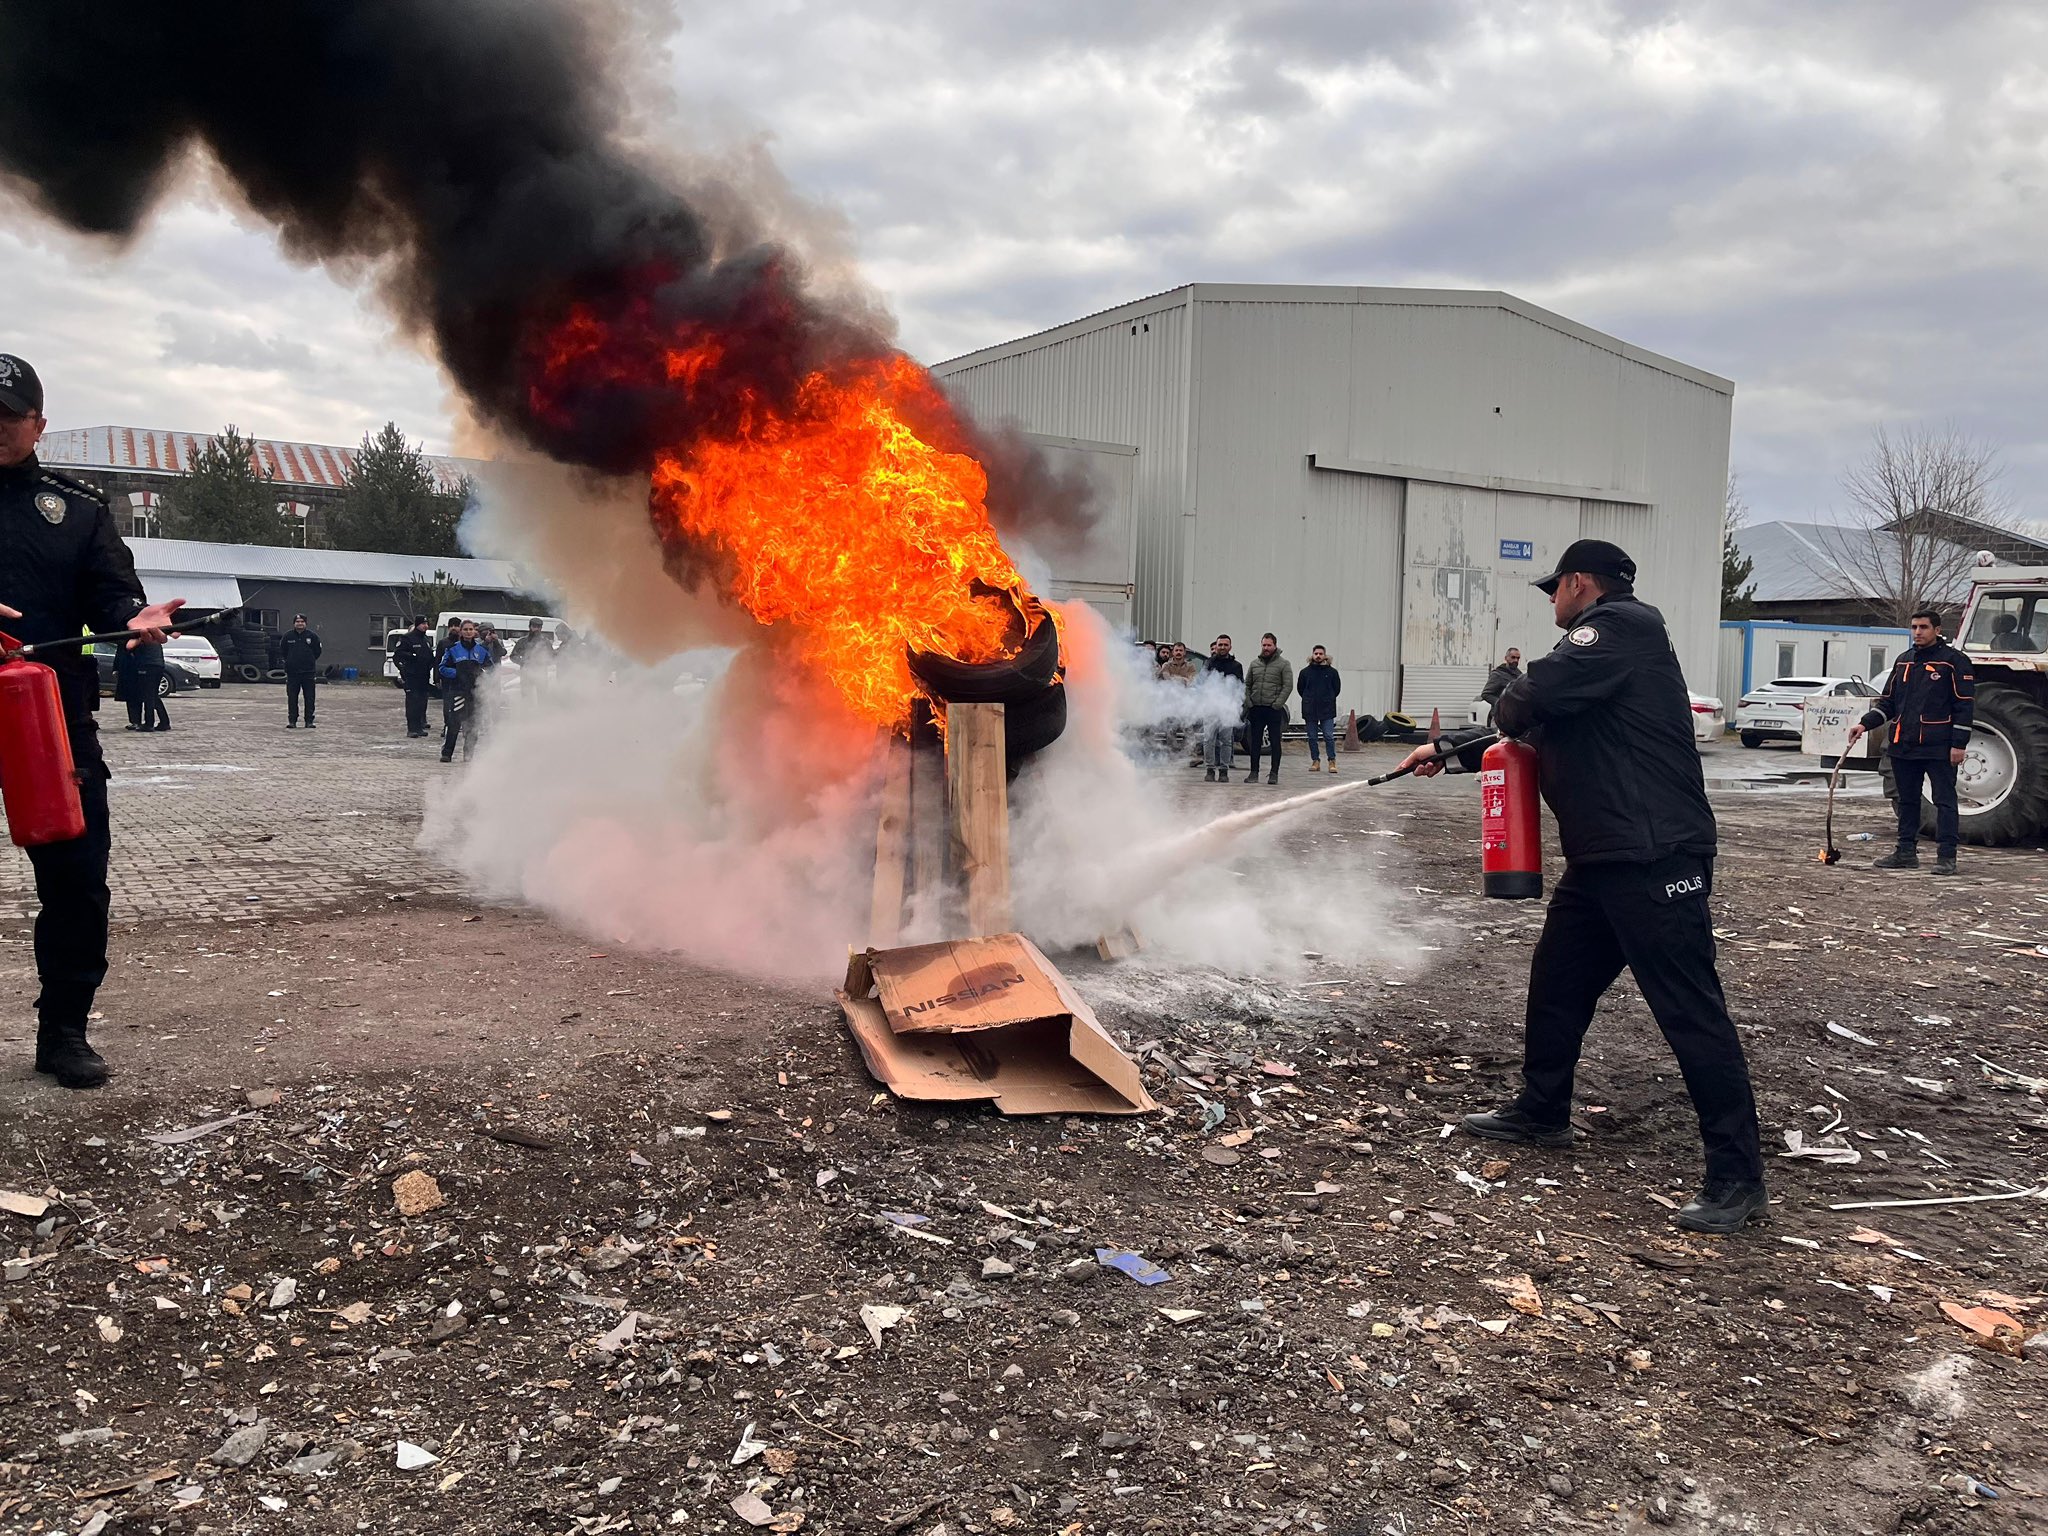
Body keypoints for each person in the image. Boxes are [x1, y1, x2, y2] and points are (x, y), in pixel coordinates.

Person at [1398, 538, 1766, 1235]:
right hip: (1604, 858)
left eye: (1553, 590)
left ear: (1576, 584)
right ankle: (1542, 1111)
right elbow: (1531, 725)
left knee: (1690, 1011)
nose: (1551, 603)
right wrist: (1448, 754)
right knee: (1558, 980)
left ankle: (1738, 1178)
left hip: (1655, 857)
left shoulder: (1623, 627)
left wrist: (1512, 700)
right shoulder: (1598, 660)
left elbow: (1530, 698)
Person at [0, 353, 185, 1089]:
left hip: (51, 721)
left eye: (9, 415)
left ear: (39, 424)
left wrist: (130, 617)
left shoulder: (75, 509)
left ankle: (63, 1033)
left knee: (78, 882)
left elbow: (113, 593)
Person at [1847, 609, 1973, 875]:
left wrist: (1959, 744)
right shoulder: (1904, 661)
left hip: (1938, 746)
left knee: (1945, 801)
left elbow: (1964, 706)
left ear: (1937, 630)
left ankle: (1947, 857)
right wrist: (1864, 724)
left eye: (1924, 627)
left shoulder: (1954, 662)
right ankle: (1906, 852)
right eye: (1914, 627)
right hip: (1903, 744)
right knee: (1907, 801)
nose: (1918, 632)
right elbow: (1889, 702)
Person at [438, 617, 495, 761]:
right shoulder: (453, 650)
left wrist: (483, 675)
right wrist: (457, 673)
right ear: (461, 632)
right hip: (458, 691)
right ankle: (447, 753)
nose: (468, 632)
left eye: (471, 629)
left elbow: (492, 669)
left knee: (474, 724)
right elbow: (442, 668)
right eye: (465, 630)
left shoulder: (481, 650)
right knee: (454, 724)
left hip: (476, 693)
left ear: (475, 632)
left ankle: (468, 753)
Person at [1241, 632, 1293, 785]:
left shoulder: (1284, 664)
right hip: (1256, 708)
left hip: (1273, 709)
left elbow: (1287, 686)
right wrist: (1249, 702)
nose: (1266, 648)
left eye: (1269, 645)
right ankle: (1253, 773)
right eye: (1264, 645)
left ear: (1275, 646)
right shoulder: (1254, 664)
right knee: (1254, 742)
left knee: (1275, 742)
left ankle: (1273, 773)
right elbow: (1247, 684)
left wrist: (1277, 704)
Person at [1201, 634, 1243, 784]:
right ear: (1216, 646)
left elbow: (1239, 687)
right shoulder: (1208, 663)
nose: (1223, 647)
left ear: (1230, 647)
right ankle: (1210, 769)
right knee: (1208, 739)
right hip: (1210, 708)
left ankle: (1224, 770)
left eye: (1226, 645)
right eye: (1220, 645)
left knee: (1226, 740)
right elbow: (1202, 684)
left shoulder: (1237, 666)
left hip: (1227, 708)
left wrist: (1237, 707)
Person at [1298, 644, 1342, 773]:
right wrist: (1309, 699)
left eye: (1320, 654)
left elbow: (1337, 689)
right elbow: (1301, 689)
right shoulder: (1305, 672)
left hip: (1327, 709)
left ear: (1325, 655)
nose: (1318, 656)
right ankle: (1315, 761)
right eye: (1316, 654)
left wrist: (1328, 698)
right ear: (1312, 655)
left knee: (1328, 736)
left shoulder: (1332, 672)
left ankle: (1332, 761)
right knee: (1312, 737)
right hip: (1310, 709)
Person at [392, 616, 436, 737]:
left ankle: (419, 727)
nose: (425, 626)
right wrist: (405, 668)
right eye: (423, 624)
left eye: (426, 624)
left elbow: (429, 656)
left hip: (424, 676)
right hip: (412, 676)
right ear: (417, 625)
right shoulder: (407, 638)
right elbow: (398, 655)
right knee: (413, 702)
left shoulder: (425, 639)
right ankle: (412, 728)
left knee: (422, 702)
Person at [280, 613, 321, 728]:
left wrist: (309, 660)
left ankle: (309, 721)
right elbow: (283, 651)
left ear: (305, 623)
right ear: (294, 623)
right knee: (292, 697)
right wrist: (289, 661)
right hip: (292, 673)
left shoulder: (312, 636)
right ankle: (292, 721)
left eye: (302, 621)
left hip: (308, 672)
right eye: (297, 622)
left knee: (309, 697)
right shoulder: (288, 636)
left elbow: (317, 651)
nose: (300, 623)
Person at [134, 638, 170, 732]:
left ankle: (149, 723)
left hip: (147, 665)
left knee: (148, 696)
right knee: (153, 695)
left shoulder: (142, 639)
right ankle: (164, 722)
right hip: (158, 666)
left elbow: (132, 649)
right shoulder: (155, 638)